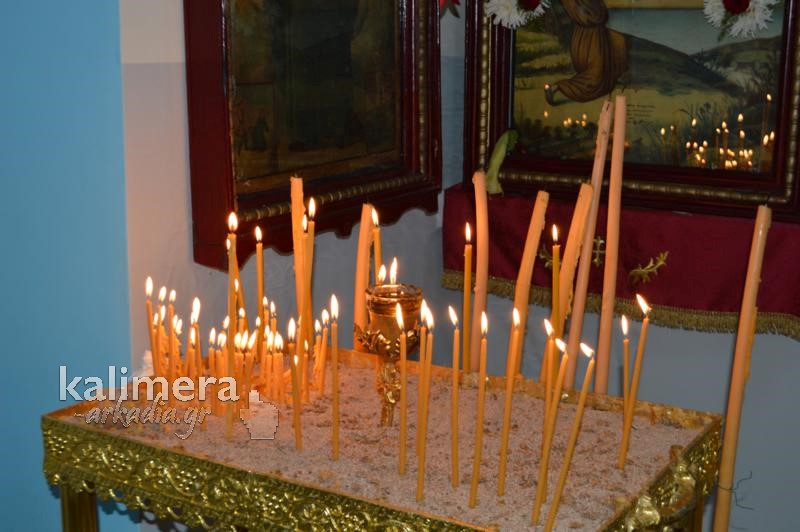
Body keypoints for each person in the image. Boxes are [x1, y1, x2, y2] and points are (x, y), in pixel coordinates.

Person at [545, 0, 628, 104]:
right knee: (595, 79)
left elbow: (599, 13)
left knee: (619, 40)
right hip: (588, 41)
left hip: (597, 34)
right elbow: (590, 17)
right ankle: (559, 87)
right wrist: (599, 14)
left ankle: (612, 76)